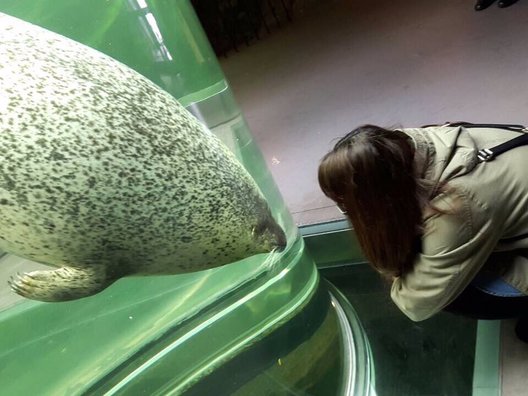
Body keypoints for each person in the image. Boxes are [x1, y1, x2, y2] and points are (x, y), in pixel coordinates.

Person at [318, 123, 528, 340]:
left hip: (476, 204)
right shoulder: (416, 142)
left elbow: (415, 303)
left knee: (454, 294)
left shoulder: (458, 203)